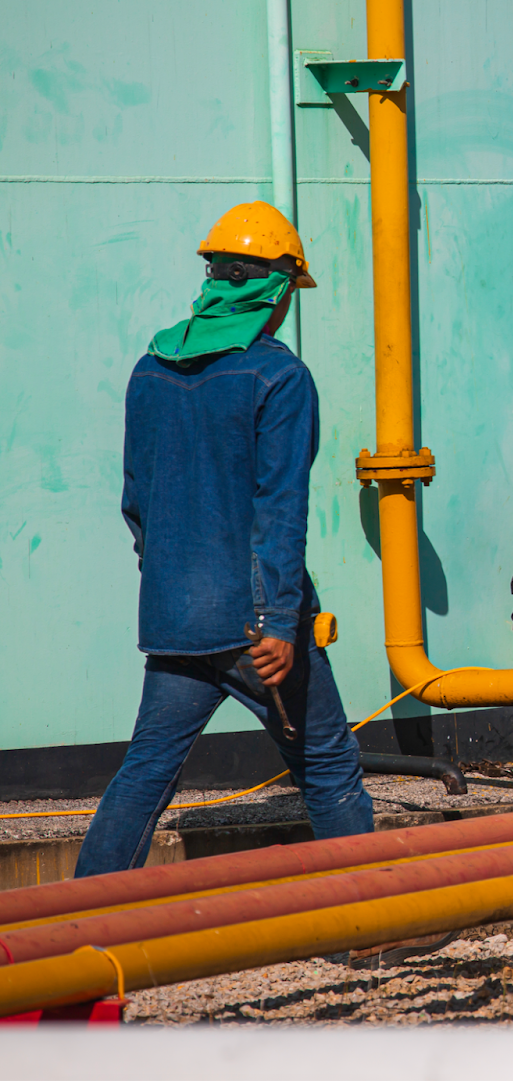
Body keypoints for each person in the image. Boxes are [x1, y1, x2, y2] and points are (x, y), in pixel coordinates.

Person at [77, 202, 374, 878]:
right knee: (326, 764)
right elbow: (280, 508)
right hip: (254, 620)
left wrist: (173, 582)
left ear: (214, 280)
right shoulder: (280, 377)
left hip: (174, 613)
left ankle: (75, 935)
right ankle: (371, 929)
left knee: (145, 773)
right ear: (274, 289)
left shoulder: (149, 369)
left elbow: (137, 501)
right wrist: (275, 620)